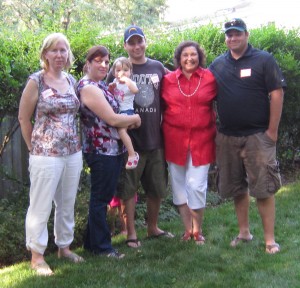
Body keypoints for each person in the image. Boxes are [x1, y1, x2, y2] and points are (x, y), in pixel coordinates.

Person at [209, 18, 286, 254]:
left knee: (263, 188)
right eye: (229, 34)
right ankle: (244, 233)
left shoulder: (263, 60)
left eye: (237, 34)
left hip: (257, 137)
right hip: (228, 137)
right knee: (237, 188)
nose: (233, 38)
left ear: (247, 34)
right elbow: (207, 97)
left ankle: (269, 240)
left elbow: (276, 93)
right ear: (225, 38)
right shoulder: (217, 65)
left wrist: (272, 131)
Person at [18, 33, 84, 276]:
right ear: (45, 54)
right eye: (54, 50)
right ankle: (37, 256)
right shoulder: (36, 81)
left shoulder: (71, 80)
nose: (59, 55)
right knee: (41, 205)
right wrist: (32, 147)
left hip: (72, 153)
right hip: (45, 155)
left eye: (63, 50)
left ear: (68, 55)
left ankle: (64, 247)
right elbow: (24, 118)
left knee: (67, 203)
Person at [106, 25, 174, 248]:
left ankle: (153, 227)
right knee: (128, 190)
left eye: (139, 41)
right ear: (125, 45)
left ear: (145, 42)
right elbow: (105, 95)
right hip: (129, 142)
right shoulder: (118, 67)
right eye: (131, 42)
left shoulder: (157, 67)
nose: (136, 46)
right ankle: (131, 233)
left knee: (157, 188)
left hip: (155, 138)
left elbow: (172, 91)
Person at [77, 45, 141, 259]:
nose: (104, 65)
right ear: (88, 63)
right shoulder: (88, 87)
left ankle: (91, 244)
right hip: (101, 151)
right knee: (100, 200)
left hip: (112, 150)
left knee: (101, 198)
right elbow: (112, 119)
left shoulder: (101, 85)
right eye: (98, 61)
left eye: (106, 61)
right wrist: (134, 119)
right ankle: (103, 248)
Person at [161, 41, 217, 244]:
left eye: (193, 54)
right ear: (179, 58)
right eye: (185, 55)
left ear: (199, 57)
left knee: (196, 186)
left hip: (202, 141)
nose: (189, 59)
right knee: (179, 187)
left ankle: (198, 230)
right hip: (174, 141)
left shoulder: (210, 78)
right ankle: (187, 230)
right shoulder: (167, 80)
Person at [109, 57, 140, 169]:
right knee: (120, 133)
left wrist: (126, 80)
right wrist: (111, 89)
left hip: (127, 111)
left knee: (122, 131)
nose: (121, 73)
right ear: (113, 72)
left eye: (125, 70)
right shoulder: (114, 82)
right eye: (118, 70)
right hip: (118, 112)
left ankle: (132, 155)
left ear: (130, 72)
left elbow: (135, 90)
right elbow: (112, 96)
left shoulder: (130, 82)